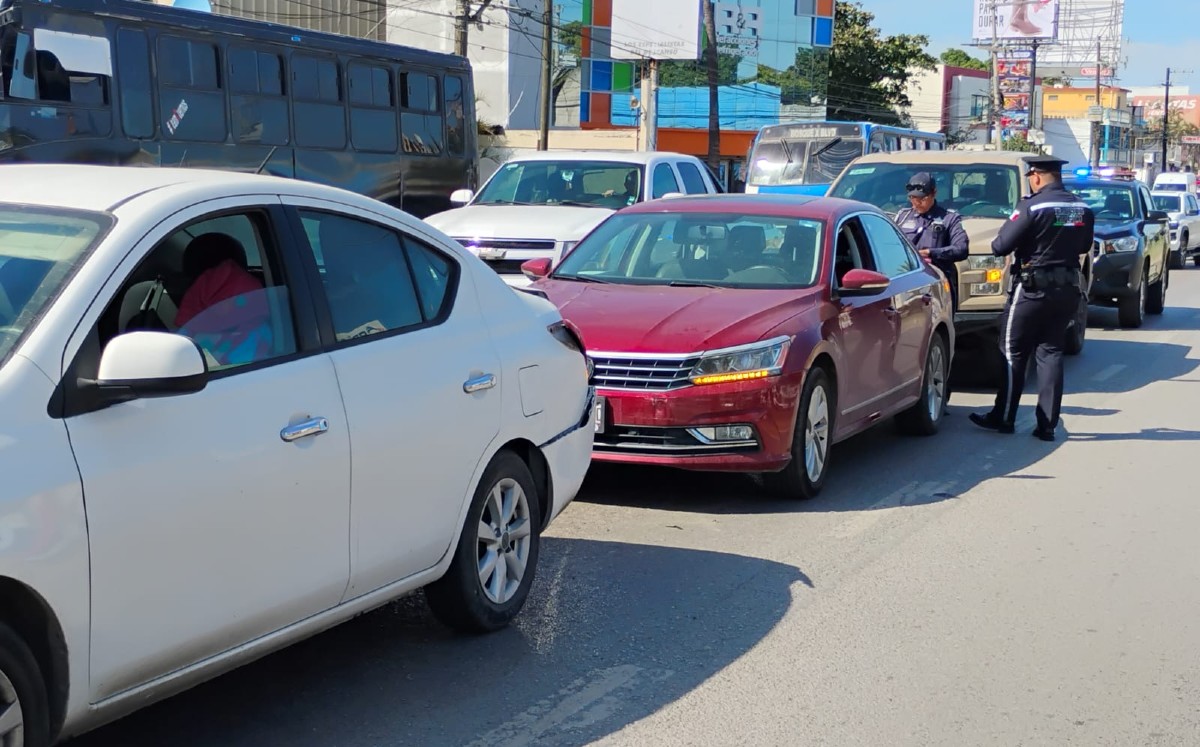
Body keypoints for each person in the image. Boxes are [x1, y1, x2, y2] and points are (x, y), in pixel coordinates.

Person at [969, 154, 1095, 442]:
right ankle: (1047, 425)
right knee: (1050, 352)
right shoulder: (1082, 207)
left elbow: (1000, 246)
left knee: (1012, 350)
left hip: (1032, 288)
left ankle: (1004, 417)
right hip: (1067, 289)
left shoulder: (1032, 205)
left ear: (1036, 177)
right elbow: (1085, 244)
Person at [895, 172, 969, 310]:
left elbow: (961, 249)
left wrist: (931, 253)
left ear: (934, 193)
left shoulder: (949, 219)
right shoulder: (902, 217)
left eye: (922, 198)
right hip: (908, 284)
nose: (917, 203)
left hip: (937, 284)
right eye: (912, 198)